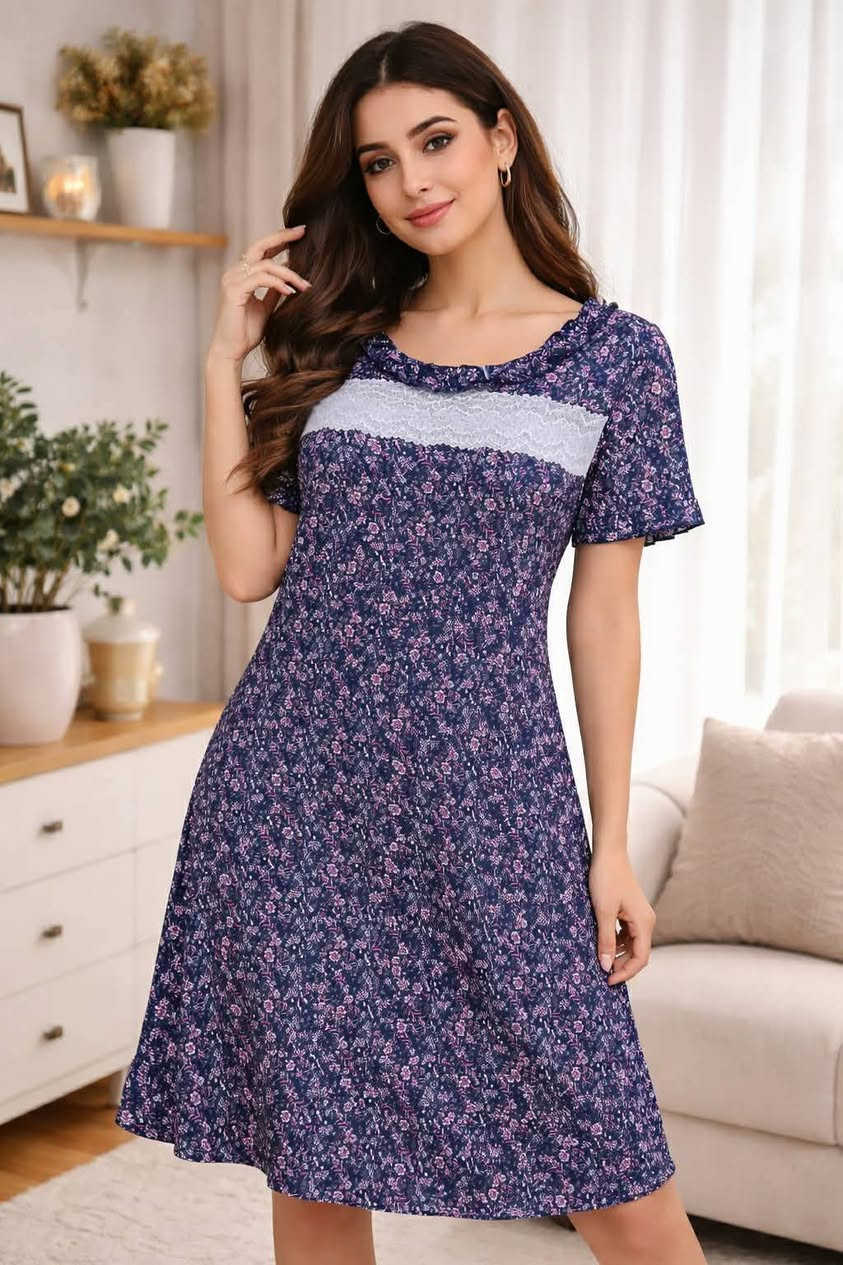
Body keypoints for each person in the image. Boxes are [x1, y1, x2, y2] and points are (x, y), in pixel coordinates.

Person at [115, 20, 708, 1265]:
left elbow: (604, 613)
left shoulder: (616, 358)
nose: (411, 182)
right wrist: (223, 359)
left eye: (435, 141)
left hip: (492, 803)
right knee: (316, 1166)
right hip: (293, 797)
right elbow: (249, 568)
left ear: (501, 139)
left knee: (617, 1173)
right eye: (378, 162)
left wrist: (611, 841)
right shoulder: (344, 341)